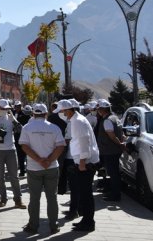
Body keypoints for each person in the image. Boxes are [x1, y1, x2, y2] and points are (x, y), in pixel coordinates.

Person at [20, 103, 66, 235]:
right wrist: (49, 160)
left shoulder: (27, 128)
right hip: (51, 167)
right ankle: (54, 225)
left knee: (34, 198)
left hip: (34, 168)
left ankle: (33, 226)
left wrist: (39, 160)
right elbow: (60, 146)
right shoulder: (54, 128)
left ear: (33, 114)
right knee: (52, 197)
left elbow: (24, 146)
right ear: (46, 114)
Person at [55, 99, 100, 232]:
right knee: (84, 193)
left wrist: (81, 162)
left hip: (85, 163)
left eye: (62, 111)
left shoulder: (78, 122)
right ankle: (86, 219)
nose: (61, 114)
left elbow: (84, 141)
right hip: (83, 161)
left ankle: (88, 222)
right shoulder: (76, 120)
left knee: (86, 194)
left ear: (68, 110)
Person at [94, 99, 126, 202]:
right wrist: (121, 143)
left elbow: (111, 135)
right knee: (114, 173)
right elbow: (121, 133)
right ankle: (114, 192)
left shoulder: (107, 120)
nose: (98, 111)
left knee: (113, 174)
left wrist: (119, 143)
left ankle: (115, 195)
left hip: (110, 151)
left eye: (99, 109)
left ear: (102, 110)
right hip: (113, 150)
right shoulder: (115, 118)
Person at [13, 101, 31, 177]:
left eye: (19, 106)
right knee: (20, 154)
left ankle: (28, 169)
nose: (18, 108)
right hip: (17, 137)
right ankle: (22, 171)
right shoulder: (12, 113)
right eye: (16, 106)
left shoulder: (25, 115)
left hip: (24, 136)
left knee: (26, 154)